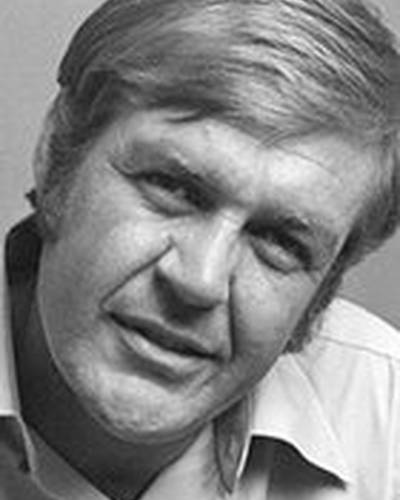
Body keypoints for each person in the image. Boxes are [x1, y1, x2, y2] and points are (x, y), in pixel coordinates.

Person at [1, 0, 400, 498]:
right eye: (174, 188)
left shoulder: (386, 417)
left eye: (280, 241)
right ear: (57, 159)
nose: (199, 281)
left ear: (321, 294)